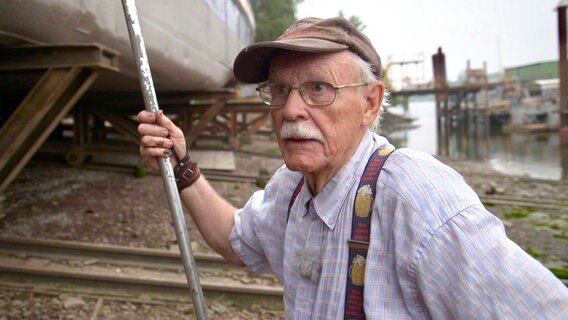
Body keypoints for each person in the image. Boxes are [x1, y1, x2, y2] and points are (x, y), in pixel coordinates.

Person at [138, 17, 568, 319]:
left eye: (318, 88)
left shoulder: (415, 197)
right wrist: (183, 163)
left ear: (370, 102)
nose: (291, 108)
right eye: (279, 89)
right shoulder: (292, 187)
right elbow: (235, 240)